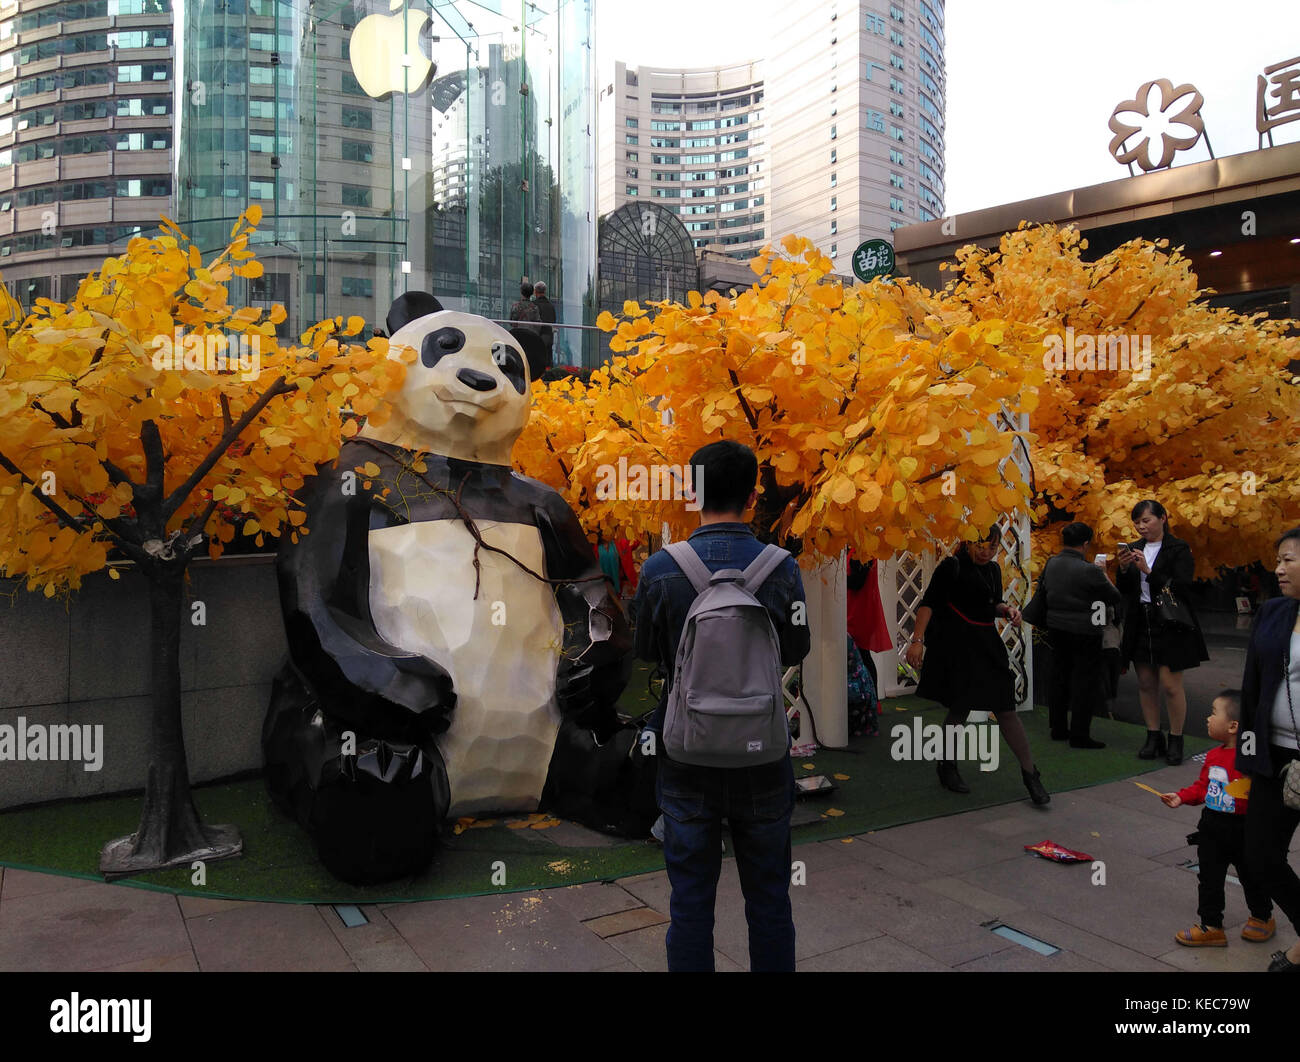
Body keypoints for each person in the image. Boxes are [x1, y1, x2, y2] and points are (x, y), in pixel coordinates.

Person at [631, 440, 810, 972]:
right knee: (771, 900)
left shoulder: (662, 568)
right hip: (761, 751)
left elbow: (647, 653)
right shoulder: (782, 568)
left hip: (687, 752)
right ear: (754, 496)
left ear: (692, 492)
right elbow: (796, 649)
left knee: (689, 905)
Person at [904, 525, 1050, 805]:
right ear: (968, 541)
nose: (987, 551)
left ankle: (1030, 774)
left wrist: (1007, 610)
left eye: (993, 547)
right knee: (960, 709)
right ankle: (947, 765)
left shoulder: (993, 570)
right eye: (982, 545)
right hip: (958, 646)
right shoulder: (951, 566)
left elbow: (992, 603)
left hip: (987, 644)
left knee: (1006, 708)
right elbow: (928, 603)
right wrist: (917, 640)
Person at [1160, 690, 1275, 947]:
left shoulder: (1252, 757)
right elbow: (1203, 787)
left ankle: (1262, 916)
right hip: (1212, 827)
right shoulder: (1212, 756)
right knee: (1209, 878)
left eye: (1213, 713)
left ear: (1233, 726)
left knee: (1252, 876)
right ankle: (1211, 925)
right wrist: (1181, 796)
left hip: (1245, 829)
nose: (1208, 718)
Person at [1237, 526, 1300, 973]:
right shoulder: (1274, 612)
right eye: (1278, 559)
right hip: (1272, 755)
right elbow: (1252, 686)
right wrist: (1247, 751)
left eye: (1290, 560)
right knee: (1259, 854)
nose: (1278, 568)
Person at [1116, 499, 1209, 765]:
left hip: (1169, 621)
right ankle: (1153, 735)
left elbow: (1182, 586)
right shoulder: (1134, 548)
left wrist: (1148, 571)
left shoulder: (1178, 548)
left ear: (1163, 518)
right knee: (1146, 682)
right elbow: (1126, 589)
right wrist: (1123, 569)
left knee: (1170, 685)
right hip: (1140, 620)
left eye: (1146, 520)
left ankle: (1176, 737)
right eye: (1137, 522)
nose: (1141, 527)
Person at [1034, 522, 1122, 748]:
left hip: (1056, 627)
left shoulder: (1052, 563)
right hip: (1085, 630)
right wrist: (1103, 574)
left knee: (1059, 677)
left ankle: (1058, 727)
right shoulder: (1090, 570)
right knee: (1085, 682)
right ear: (1085, 544)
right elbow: (1113, 596)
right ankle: (1080, 734)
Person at [532, 280, 556, 361]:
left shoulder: (534, 305)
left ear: (535, 292)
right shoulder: (551, 306)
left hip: (537, 338)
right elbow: (553, 321)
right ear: (545, 291)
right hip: (549, 337)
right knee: (548, 362)